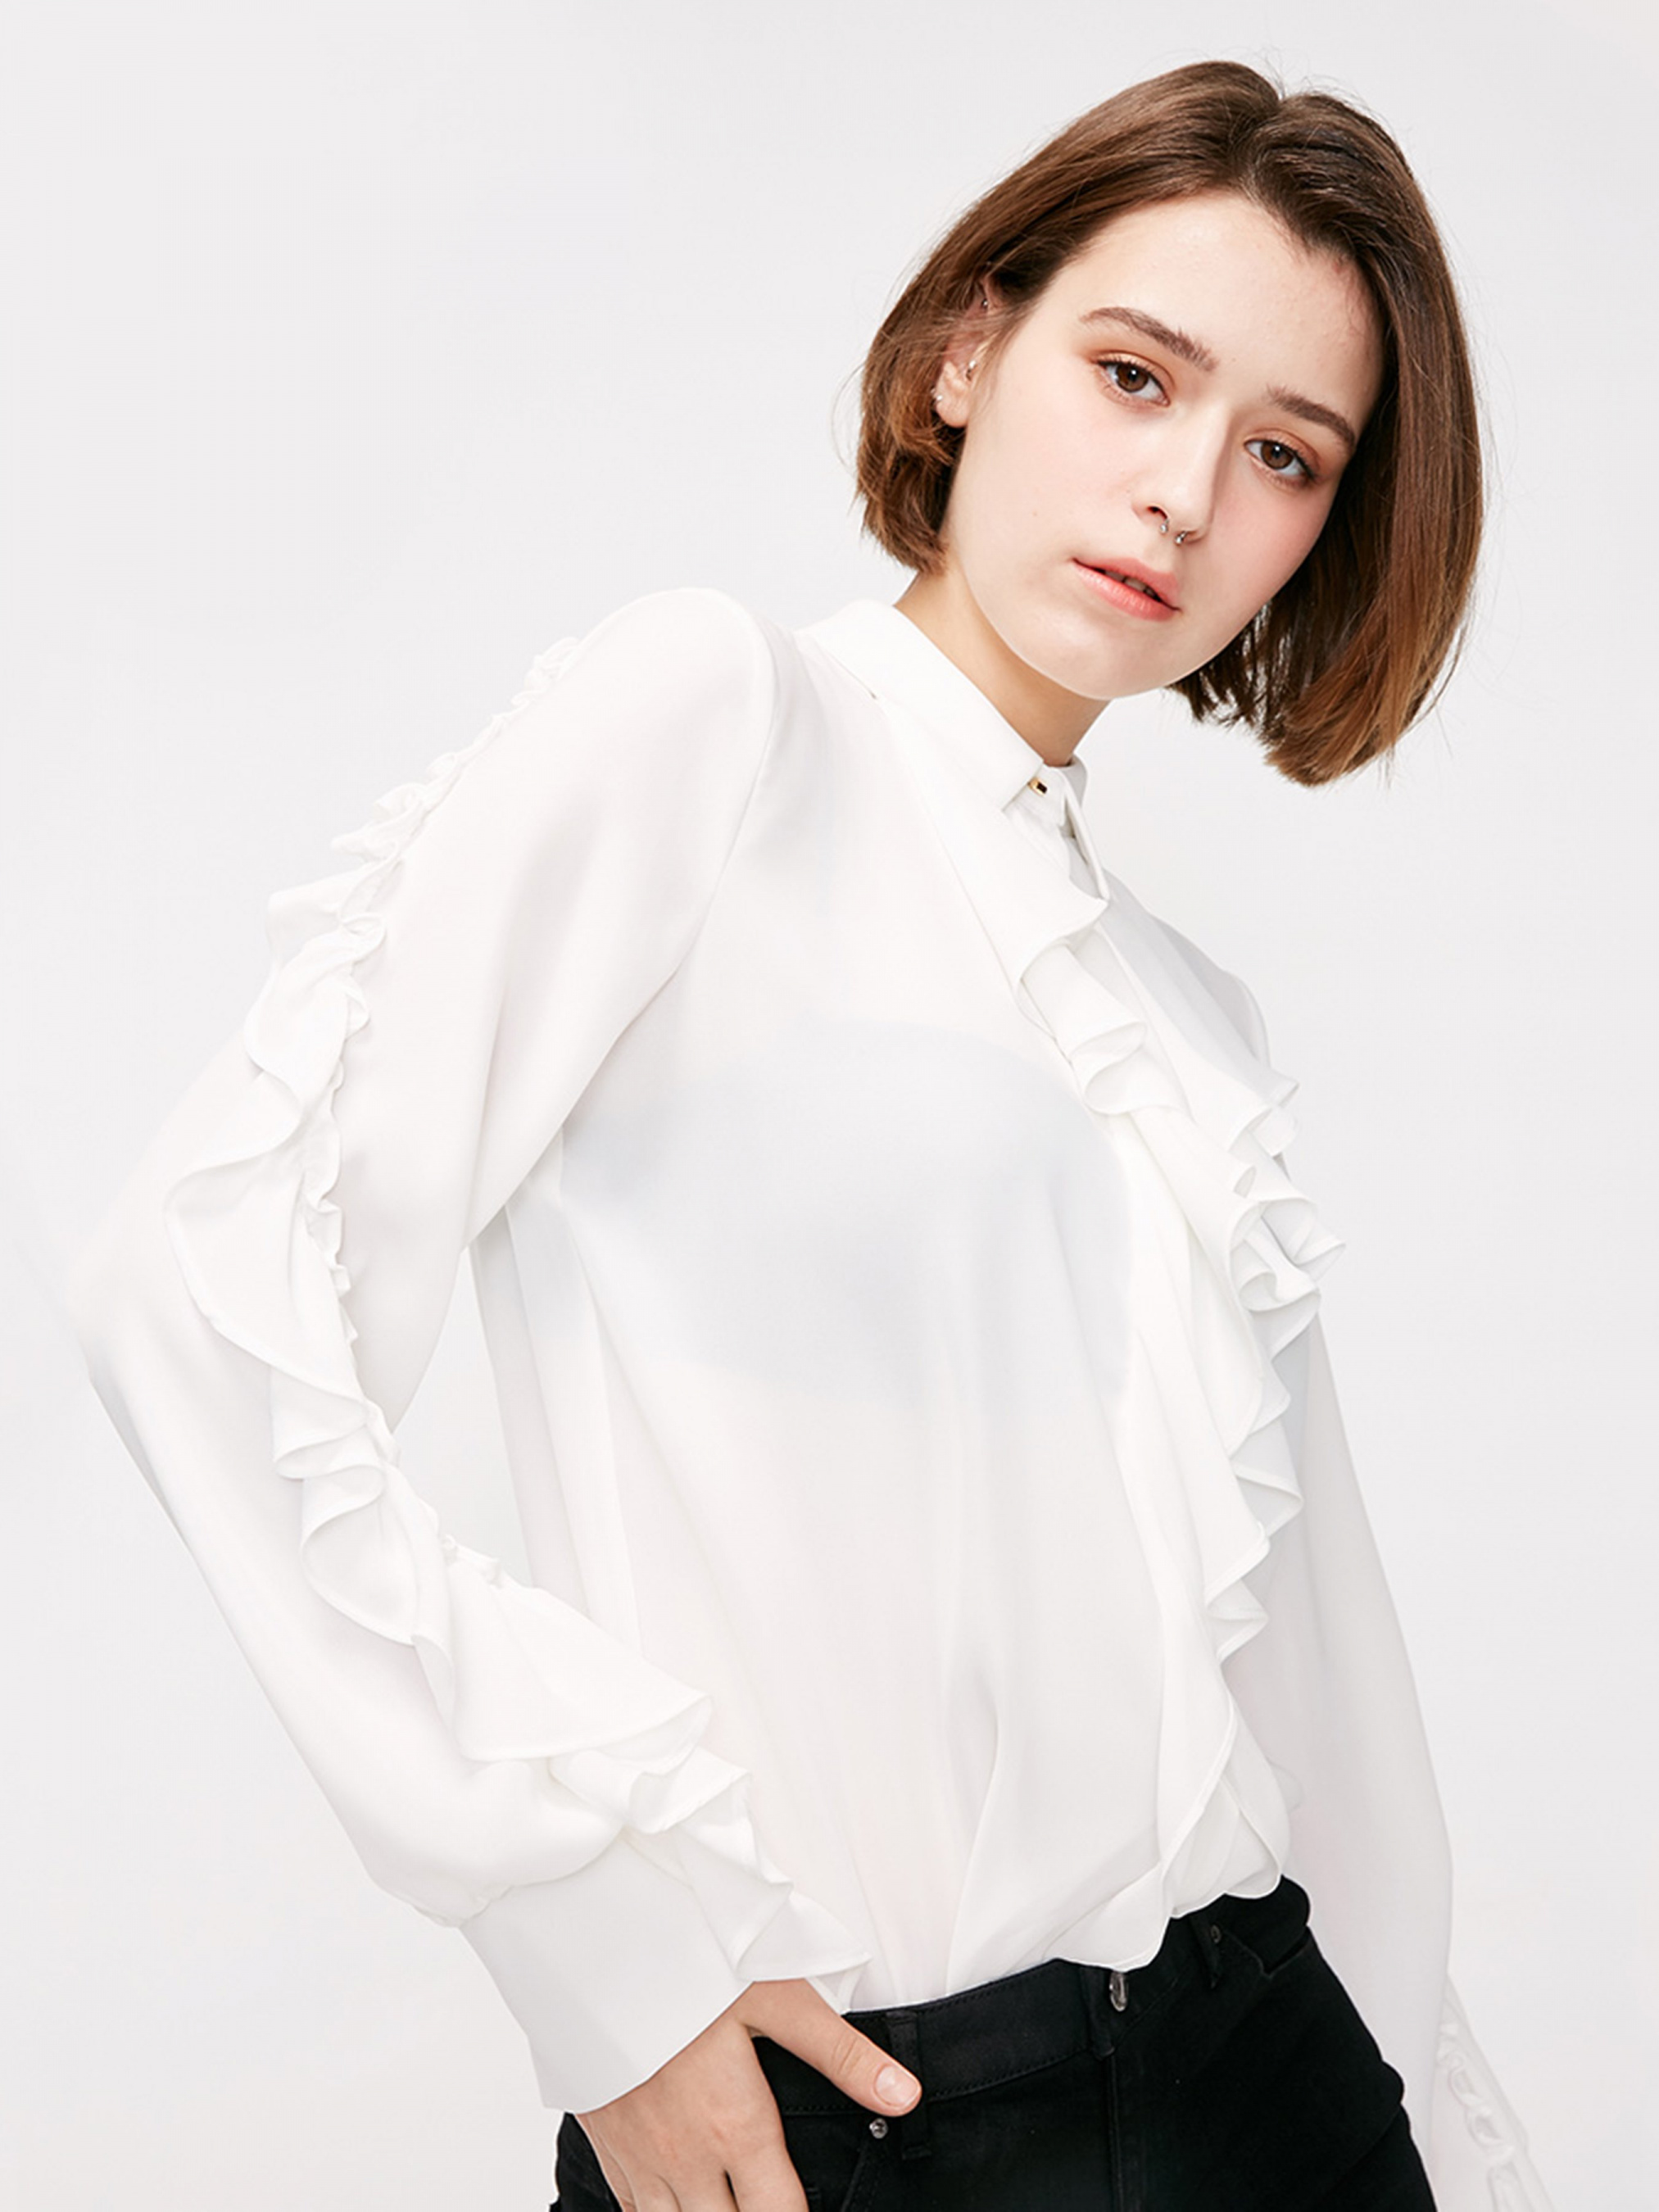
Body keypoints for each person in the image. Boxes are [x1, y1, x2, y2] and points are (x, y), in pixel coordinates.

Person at [67, 57, 1555, 2212]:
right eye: (1132, 374)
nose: (1180, 495)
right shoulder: (719, 722)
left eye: (1281, 453)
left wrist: (1418, 2111)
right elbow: (190, 1297)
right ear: (968, 349)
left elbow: (1315, 1673)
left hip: (1268, 2076)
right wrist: (612, 1976)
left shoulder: (1184, 1018)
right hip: (861, 2119)